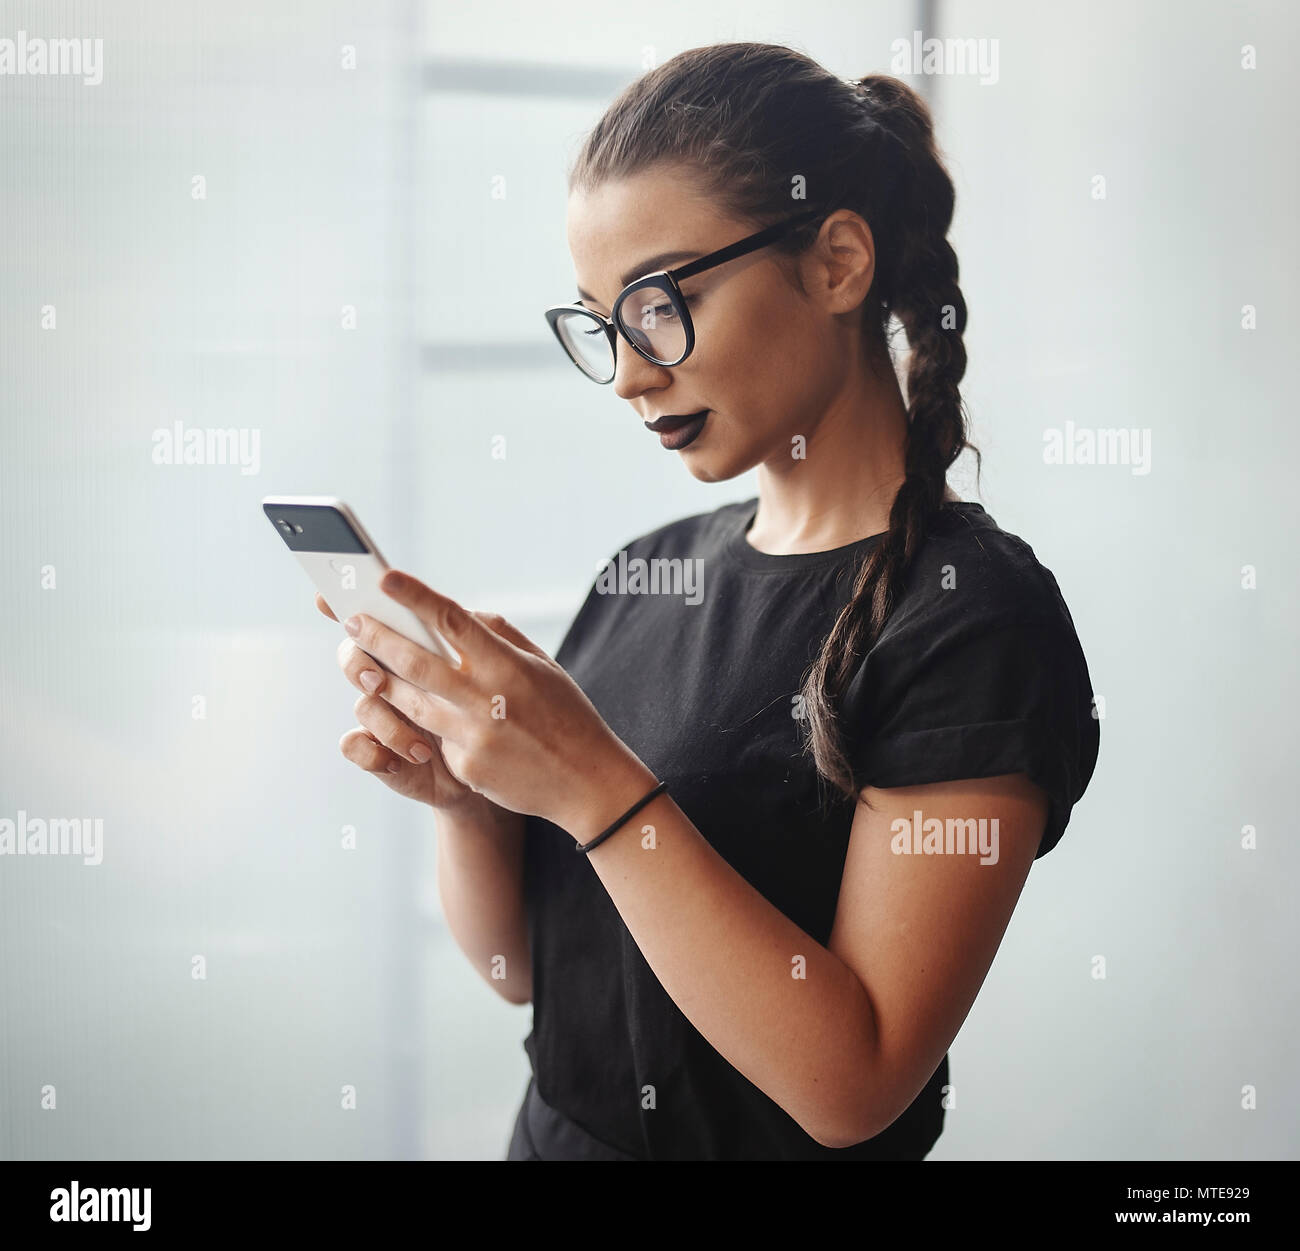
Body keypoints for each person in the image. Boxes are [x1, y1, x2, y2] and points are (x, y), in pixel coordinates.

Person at [323, 41, 1100, 1161]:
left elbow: (855, 1083)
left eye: (658, 304)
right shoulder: (649, 573)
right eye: (602, 325)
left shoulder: (970, 621)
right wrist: (470, 804)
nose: (631, 373)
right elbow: (526, 975)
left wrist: (592, 786)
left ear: (836, 263)